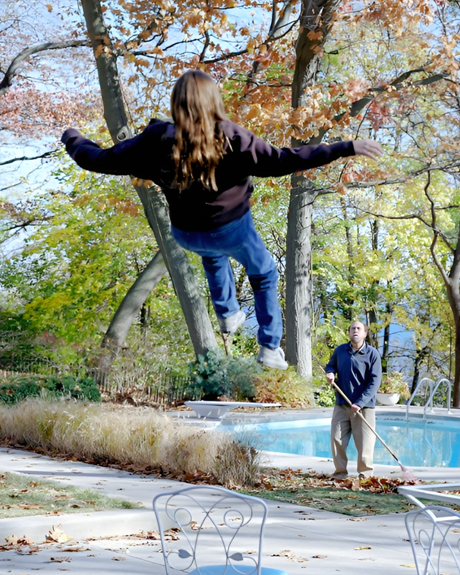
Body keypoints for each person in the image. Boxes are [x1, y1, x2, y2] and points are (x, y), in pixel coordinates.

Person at [61, 70, 383, 369]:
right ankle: (270, 349)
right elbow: (284, 160)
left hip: (186, 232)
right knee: (265, 272)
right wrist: (346, 147)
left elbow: (98, 159)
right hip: (232, 229)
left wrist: (73, 138)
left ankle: (228, 315)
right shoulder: (232, 138)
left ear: (176, 104)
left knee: (212, 256)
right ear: (215, 101)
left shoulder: (155, 140)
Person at [325, 321, 381, 479]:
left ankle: (365, 476)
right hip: (342, 404)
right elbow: (331, 365)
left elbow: (374, 383)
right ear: (348, 332)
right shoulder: (340, 350)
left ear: (365, 333)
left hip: (364, 407)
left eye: (358, 329)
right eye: (352, 329)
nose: (355, 331)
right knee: (337, 439)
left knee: (365, 445)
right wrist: (330, 373)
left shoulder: (372, 354)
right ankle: (340, 474)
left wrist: (360, 402)